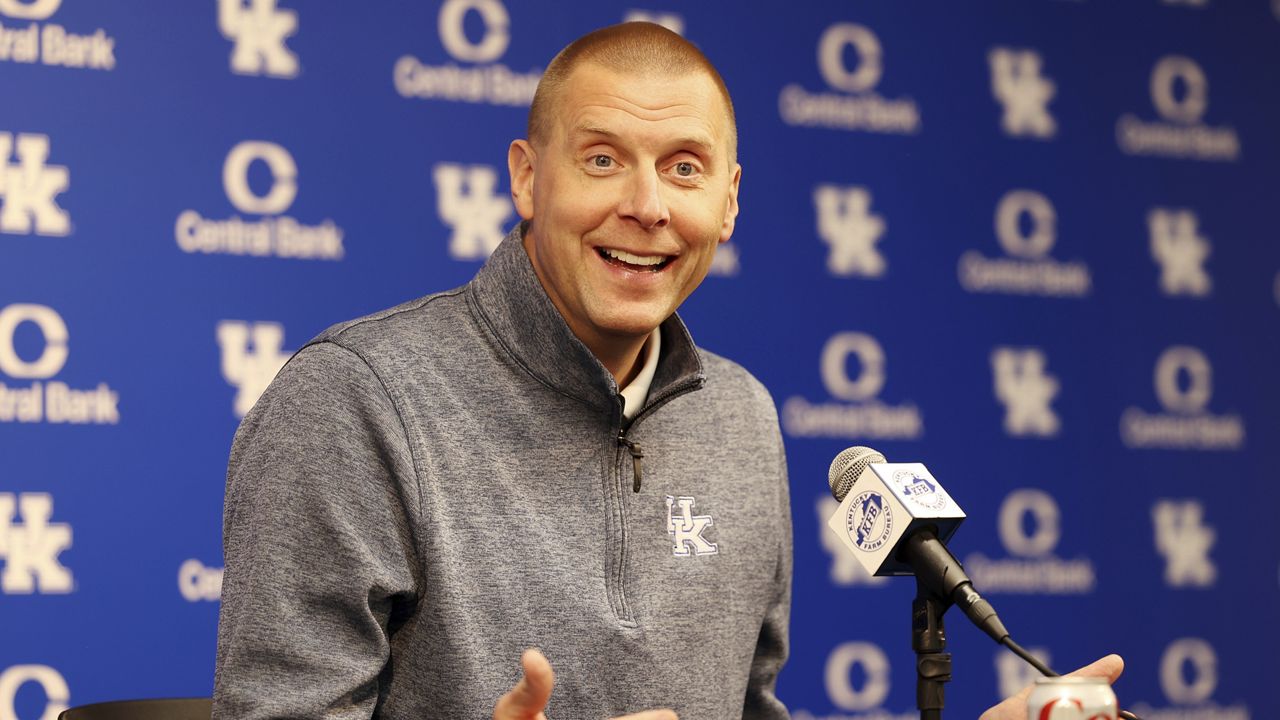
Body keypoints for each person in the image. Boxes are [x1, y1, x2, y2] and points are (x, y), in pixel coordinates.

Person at [213, 22, 1125, 720]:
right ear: (528, 179)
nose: (646, 207)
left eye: (684, 169)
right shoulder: (354, 400)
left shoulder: (741, 413)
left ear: (727, 203)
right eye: (602, 160)